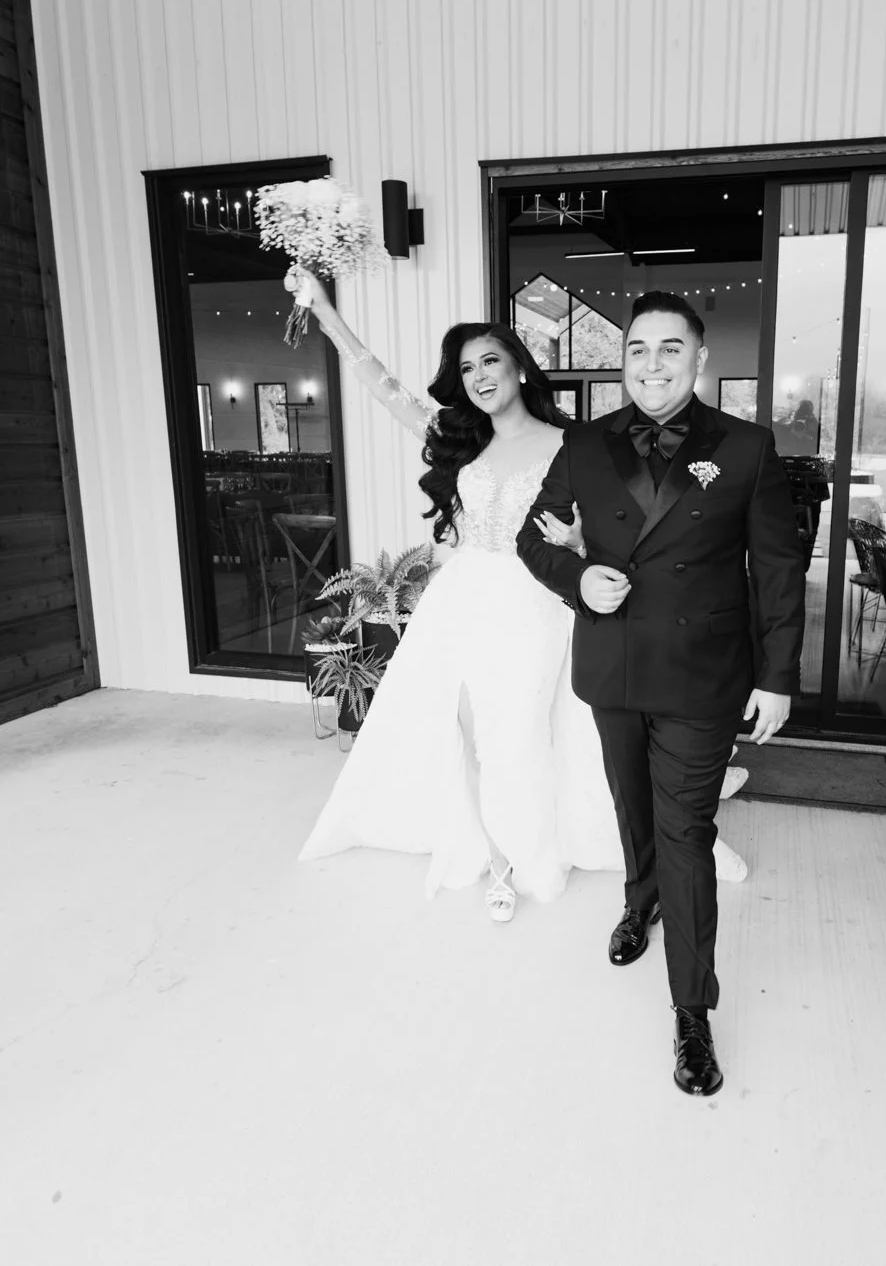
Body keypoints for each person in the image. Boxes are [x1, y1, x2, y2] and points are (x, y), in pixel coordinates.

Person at [290, 272, 747, 924]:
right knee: (467, 724)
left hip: (533, 604)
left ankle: (566, 839)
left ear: (520, 370)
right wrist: (326, 312)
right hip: (463, 601)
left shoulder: (575, 444)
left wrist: (582, 539)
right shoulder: (460, 438)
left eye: (491, 361)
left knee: (525, 731)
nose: (479, 376)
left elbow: (627, 526)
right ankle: (499, 858)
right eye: (468, 367)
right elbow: (382, 384)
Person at [519, 290, 804, 1098]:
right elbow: (530, 539)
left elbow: (778, 570)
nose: (652, 364)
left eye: (670, 349)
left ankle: (690, 1008)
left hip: (703, 673)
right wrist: (578, 576)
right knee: (630, 805)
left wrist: (777, 675)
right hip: (613, 664)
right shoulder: (585, 442)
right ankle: (638, 900)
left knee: (686, 828)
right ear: (624, 360)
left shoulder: (746, 447)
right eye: (638, 349)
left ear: (699, 358)